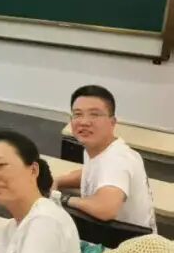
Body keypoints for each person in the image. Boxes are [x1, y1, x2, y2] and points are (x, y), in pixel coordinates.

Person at [53, 84, 156, 232]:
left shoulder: (118, 161)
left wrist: (63, 199)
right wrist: (57, 181)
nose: (84, 122)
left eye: (94, 114)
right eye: (78, 114)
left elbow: (106, 209)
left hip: (127, 242)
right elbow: (90, 173)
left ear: (112, 122)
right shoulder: (99, 148)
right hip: (109, 234)